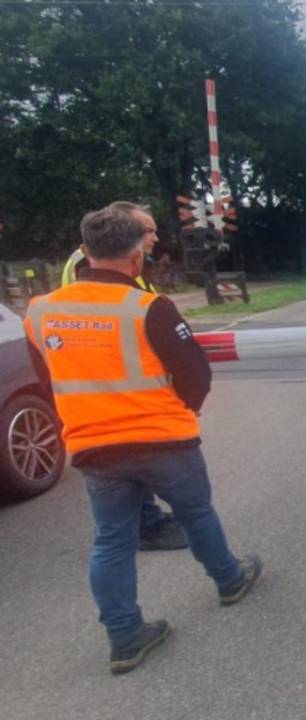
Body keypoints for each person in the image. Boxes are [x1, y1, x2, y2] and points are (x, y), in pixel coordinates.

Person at [25, 204, 262, 675]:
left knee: (112, 540)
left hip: (96, 449)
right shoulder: (148, 306)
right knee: (196, 515)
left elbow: (45, 376)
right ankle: (230, 581)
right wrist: (183, 412)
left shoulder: (40, 311)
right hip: (164, 440)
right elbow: (195, 372)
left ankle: (125, 639)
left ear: (86, 253)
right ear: (136, 258)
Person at [62, 202, 188, 552]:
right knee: (126, 458)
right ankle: (146, 526)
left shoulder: (129, 262)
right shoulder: (89, 263)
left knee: (128, 461)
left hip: (119, 373)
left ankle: (143, 523)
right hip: (105, 379)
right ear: (126, 229)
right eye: (148, 230)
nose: (155, 237)